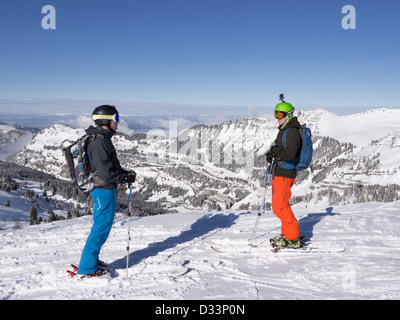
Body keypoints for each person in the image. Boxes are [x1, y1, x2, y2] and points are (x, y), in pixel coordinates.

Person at [77, 105, 136, 278]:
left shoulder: (102, 138)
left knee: (102, 227)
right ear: (106, 121)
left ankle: (91, 262)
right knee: (100, 227)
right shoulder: (99, 141)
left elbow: (109, 167)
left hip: (105, 188)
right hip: (103, 189)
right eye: (115, 119)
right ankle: (87, 267)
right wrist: (123, 178)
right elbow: (105, 172)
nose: (118, 123)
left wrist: (124, 174)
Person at [266, 100, 302, 249]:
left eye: (280, 114)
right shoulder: (285, 129)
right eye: (276, 115)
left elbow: (290, 154)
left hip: (286, 173)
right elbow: (281, 150)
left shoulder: (292, 131)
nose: (277, 118)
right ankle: (287, 233)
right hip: (280, 171)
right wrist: (272, 153)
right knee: (279, 206)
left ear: (288, 115)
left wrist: (276, 152)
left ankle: (293, 238)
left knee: (280, 206)